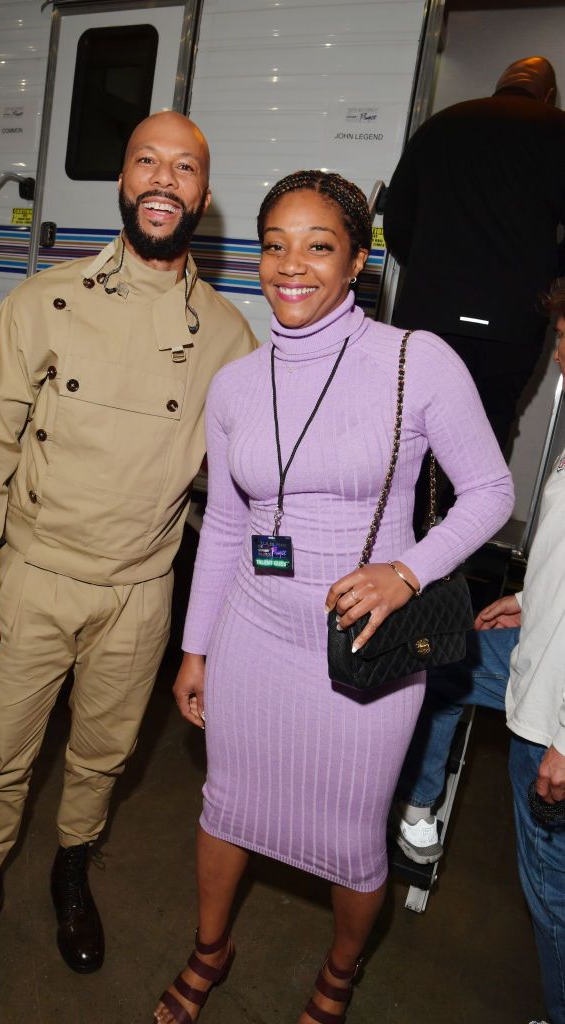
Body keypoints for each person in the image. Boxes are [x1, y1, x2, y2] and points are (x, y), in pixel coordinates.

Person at [0, 111, 257, 1000]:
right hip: (34, 576)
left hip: (141, 592)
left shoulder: (229, 338)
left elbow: (252, 487)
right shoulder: (41, 303)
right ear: (123, 180)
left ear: (203, 197)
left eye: (184, 168)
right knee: (1, 751)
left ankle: (71, 871)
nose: (164, 179)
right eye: (147, 161)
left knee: (104, 754)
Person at [152, 170, 514, 1024]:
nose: (291, 265)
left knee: (352, 840)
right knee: (224, 808)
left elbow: (491, 492)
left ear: (357, 261)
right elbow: (226, 529)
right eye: (274, 245)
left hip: (366, 649)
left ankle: (338, 976)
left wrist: (407, 571)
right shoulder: (236, 384)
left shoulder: (414, 360)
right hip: (251, 636)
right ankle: (209, 951)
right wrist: (194, 649)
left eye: (318, 246)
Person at [393, 281, 565, 1024]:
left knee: (551, 896)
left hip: (554, 711)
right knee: (437, 657)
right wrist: (530, 599)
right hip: (538, 649)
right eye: (560, 336)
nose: (557, 355)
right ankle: (420, 806)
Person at [384, 56, 565, 452]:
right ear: (548, 94)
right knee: (488, 427)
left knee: (412, 430)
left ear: (500, 85)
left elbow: (396, 221)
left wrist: (428, 271)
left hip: (429, 313)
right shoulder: (559, 130)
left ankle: (414, 497)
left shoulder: (440, 126)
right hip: (510, 322)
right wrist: (550, 275)